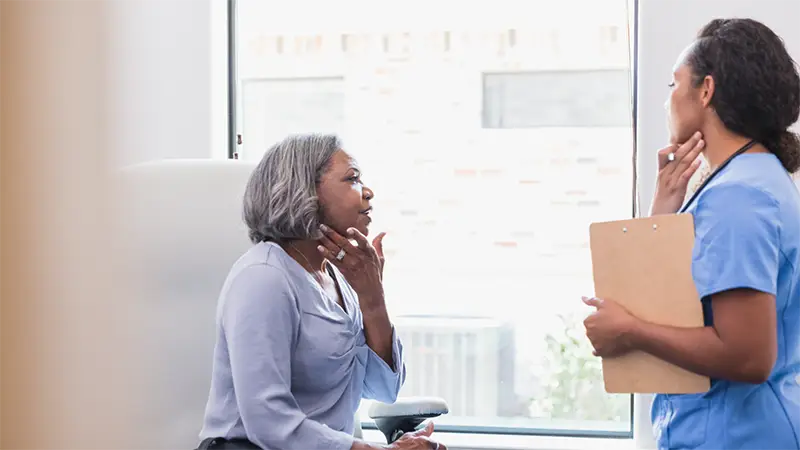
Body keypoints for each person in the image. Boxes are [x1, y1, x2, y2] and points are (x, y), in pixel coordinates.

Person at [582, 18, 800, 449]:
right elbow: (675, 303)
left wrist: (631, 332)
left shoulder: (738, 197)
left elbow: (748, 356)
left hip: (737, 436)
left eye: (673, 84)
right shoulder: (747, 181)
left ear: (706, 91)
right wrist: (665, 210)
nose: (668, 100)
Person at [198, 134, 445, 450]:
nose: (368, 192)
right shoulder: (264, 278)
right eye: (352, 179)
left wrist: (373, 300)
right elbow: (268, 422)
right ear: (305, 192)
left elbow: (383, 389)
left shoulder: (338, 276)